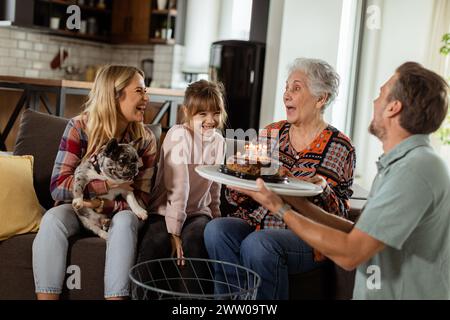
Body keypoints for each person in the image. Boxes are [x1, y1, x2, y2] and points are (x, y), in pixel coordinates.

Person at [235, 62, 450, 299]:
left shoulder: (413, 170)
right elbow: (359, 231)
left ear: (393, 108)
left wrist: (280, 208)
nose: (374, 102)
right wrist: (290, 198)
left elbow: (351, 253)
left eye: (380, 94)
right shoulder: (402, 165)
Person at [204, 58, 356, 299]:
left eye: (296, 88)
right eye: (286, 87)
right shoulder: (272, 132)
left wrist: (324, 189)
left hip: (306, 237)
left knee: (259, 244)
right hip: (258, 223)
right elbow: (239, 195)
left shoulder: (339, 146)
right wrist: (240, 180)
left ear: (321, 99)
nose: (286, 95)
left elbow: (338, 218)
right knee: (216, 230)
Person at [32, 65, 158, 300]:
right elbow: (58, 186)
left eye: (145, 90)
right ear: (114, 95)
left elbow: (140, 199)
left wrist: (102, 206)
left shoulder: (145, 140)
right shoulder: (79, 127)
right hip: (77, 208)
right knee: (51, 220)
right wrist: (108, 188)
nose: (146, 97)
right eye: (139, 91)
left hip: (119, 212)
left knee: (124, 222)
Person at [137, 80, 227, 278]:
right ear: (187, 112)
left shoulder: (219, 141)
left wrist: (216, 217)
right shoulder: (178, 135)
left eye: (216, 113)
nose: (211, 120)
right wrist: (175, 231)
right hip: (164, 210)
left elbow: (214, 186)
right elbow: (179, 186)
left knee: (195, 242)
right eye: (202, 114)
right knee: (156, 242)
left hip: (197, 212)